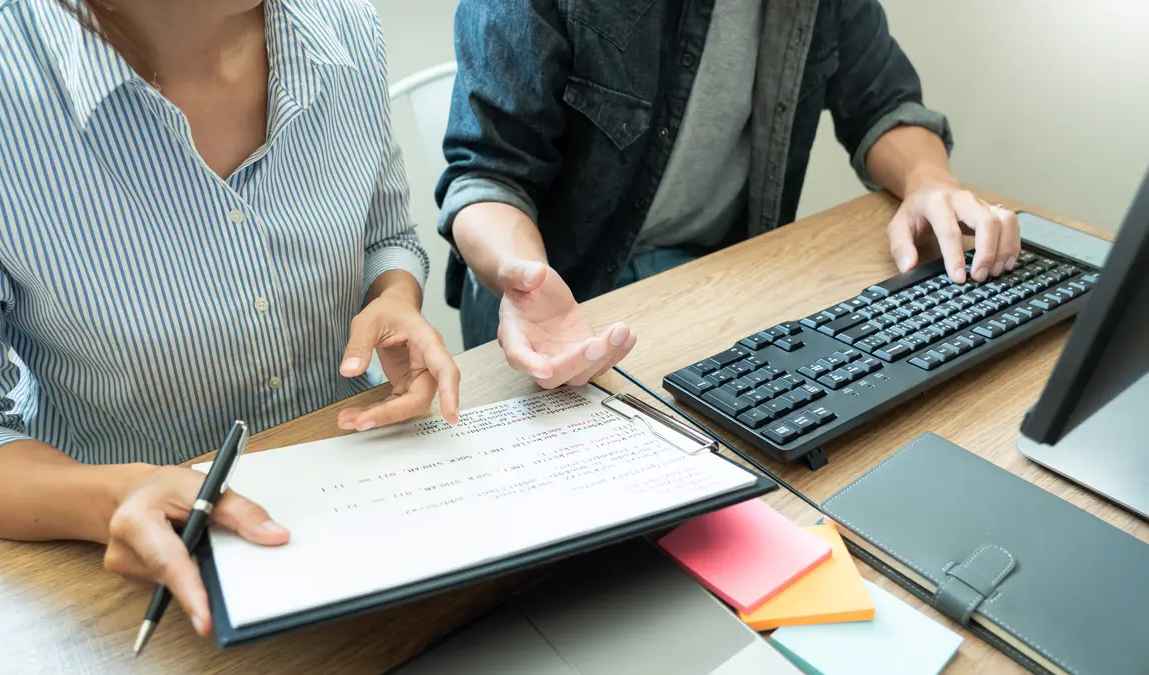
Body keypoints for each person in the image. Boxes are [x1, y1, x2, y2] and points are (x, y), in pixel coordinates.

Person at [0, 0, 459, 637]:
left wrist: (394, 297)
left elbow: (385, 237)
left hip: (371, 504)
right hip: (144, 575)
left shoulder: (341, 22)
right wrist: (106, 498)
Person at [435, 0, 1022, 387]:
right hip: (557, 300)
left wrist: (929, 180)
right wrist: (524, 275)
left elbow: (883, 102)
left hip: (715, 277)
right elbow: (489, 177)